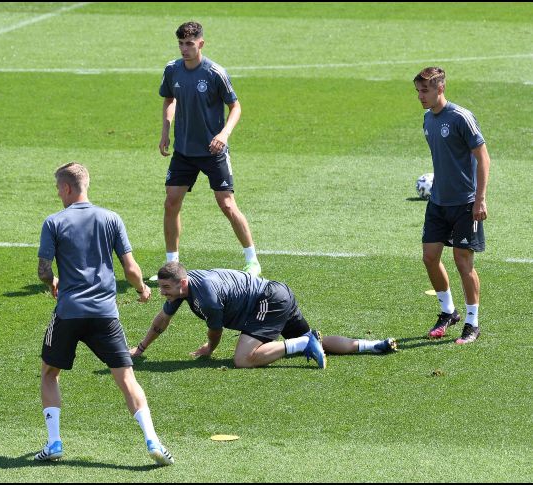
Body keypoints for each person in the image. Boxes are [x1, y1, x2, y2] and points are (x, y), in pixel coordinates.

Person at [35, 162, 173, 466]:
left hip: (69, 312)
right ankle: (153, 440)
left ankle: (54, 442)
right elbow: (131, 269)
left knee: (49, 372)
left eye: (58, 187)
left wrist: (53, 282)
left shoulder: (53, 222)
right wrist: (141, 290)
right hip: (105, 314)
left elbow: (44, 270)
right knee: (126, 379)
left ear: (68, 188)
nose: (58, 193)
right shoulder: (111, 218)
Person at [130, 262, 397, 369]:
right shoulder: (182, 290)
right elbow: (161, 321)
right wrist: (140, 348)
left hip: (268, 301)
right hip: (276, 295)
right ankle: (375, 345)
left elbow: (216, 331)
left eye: (165, 287)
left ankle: (302, 344)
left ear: (182, 283)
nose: (162, 292)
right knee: (317, 339)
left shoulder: (206, 296)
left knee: (243, 359)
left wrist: (209, 349)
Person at [159, 21, 261, 276]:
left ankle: (252, 260)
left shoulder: (215, 72)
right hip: (184, 151)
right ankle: (172, 263)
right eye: (181, 44)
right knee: (171, 203)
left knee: (226, 204)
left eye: (189, 44)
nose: (184, 49)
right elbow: (169, 99)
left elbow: (235, 106)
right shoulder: (172, 70)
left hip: (213, 151)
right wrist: (165, 131)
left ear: (200, 44)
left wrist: (224, 134)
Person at [414, 67, 490, 344]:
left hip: (464, 203)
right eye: (418, 91)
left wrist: (480, 198)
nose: (421, 97)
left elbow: (483, 158)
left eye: (425, 91)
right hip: (438, 202)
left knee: (463, 262)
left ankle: (472, 322)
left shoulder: (461, 118)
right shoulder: (427, 120)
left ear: (440, 89)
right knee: (430, 257)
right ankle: (448, 312)